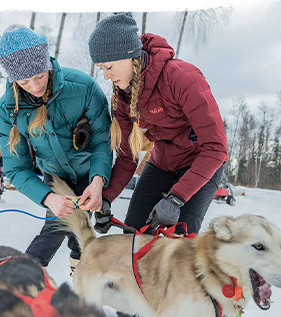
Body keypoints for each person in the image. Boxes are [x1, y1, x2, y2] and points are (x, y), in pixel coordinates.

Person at [84, 13, 228, 235]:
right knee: (134, 233)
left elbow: (216, 148)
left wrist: (176, 198)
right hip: (162, 163)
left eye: (109, 67)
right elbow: (127, 156)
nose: (105, 76)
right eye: (101, 68)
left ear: (129, 56)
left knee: (179, 241)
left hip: (200, 164)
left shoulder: (181, 78)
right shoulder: (122, 98)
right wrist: (107, 197)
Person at [0, 26, 112, 268]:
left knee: (80, 229)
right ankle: (24, 280)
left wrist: (98, 181)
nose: (35, 86)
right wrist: (48, 198)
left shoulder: (83, 87)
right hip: (55, 174)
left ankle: (78, 272)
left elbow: (102, 139)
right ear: (13, 79)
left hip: (88, 171)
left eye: (39, 75)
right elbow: (16, 169)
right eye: (25, 81)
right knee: (57, 225)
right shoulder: (8, 109)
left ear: (47, 63)